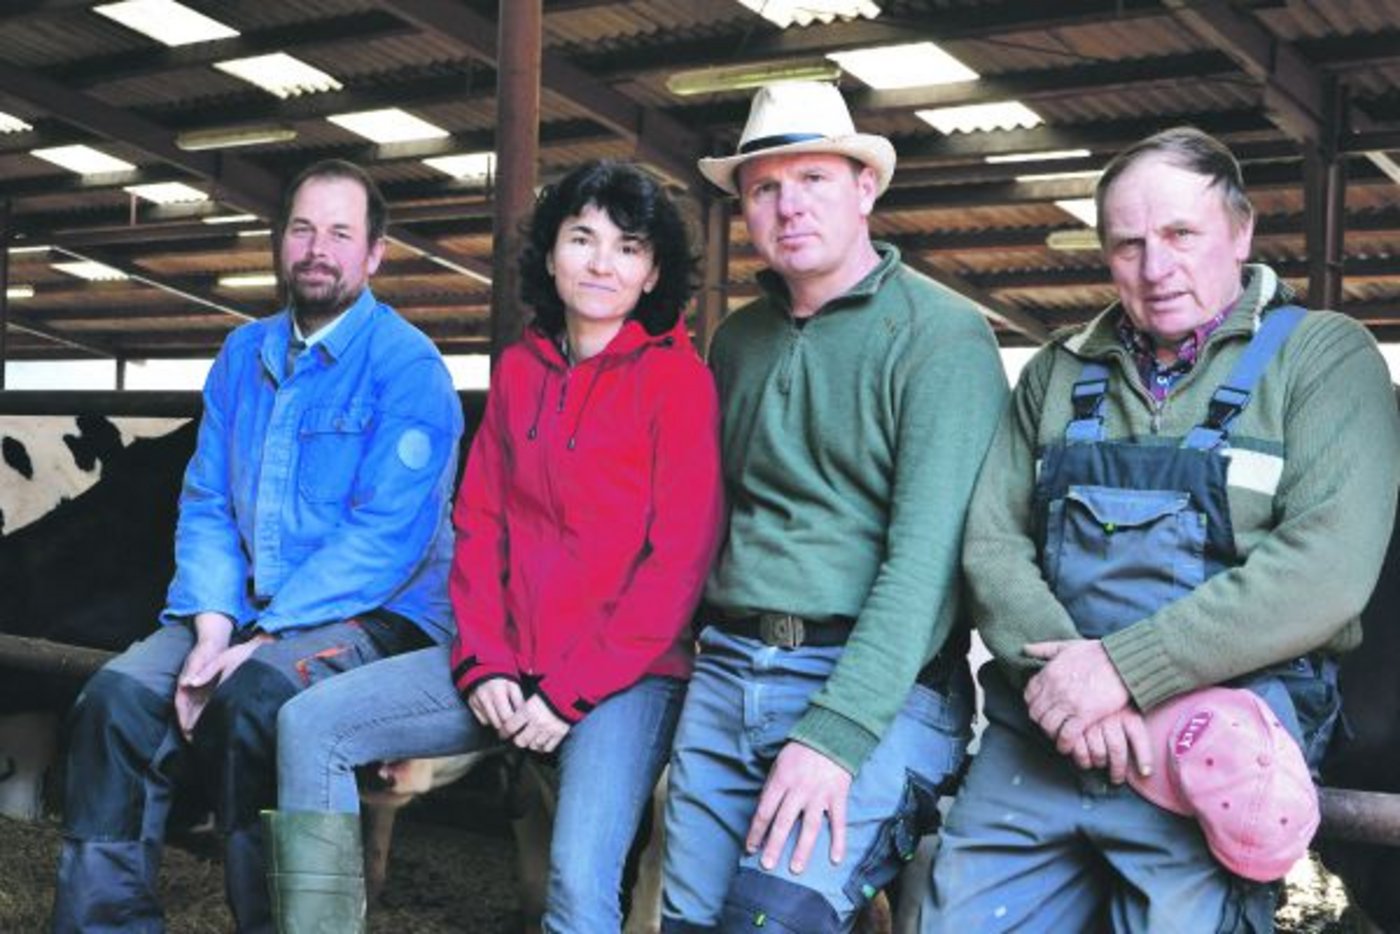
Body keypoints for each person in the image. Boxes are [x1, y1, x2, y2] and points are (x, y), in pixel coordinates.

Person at [924, 127, 1400, 932]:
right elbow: (992, 546)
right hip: (1040, 735)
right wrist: (1072, 697)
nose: (1156, 267)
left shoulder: (1323, 361)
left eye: (1182, 234)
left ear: (1241, 230)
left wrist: (1122, 672)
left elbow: (1324, 570)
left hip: (1217, 744)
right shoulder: (1057, 371)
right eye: (1128, 245)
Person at [270, 159, 724, 932]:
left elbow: (677, 566)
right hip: (503, 666)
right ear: (550, 255)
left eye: (628, 246)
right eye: (582, 238)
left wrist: (569, 693)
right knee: (311, 724)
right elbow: (478, 526)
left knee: (577, 886)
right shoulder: (520, 372)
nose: (602, 262)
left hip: (625, 680)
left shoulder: (679, 384)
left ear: (653, 274)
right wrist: (482, 659)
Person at [51, 159, 463, 933]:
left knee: (256, 703)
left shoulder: (409, 370)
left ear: (374, 254)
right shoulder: (243, 356)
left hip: (376, 613)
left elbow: (384, 541)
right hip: (242, 611)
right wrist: (211, 622)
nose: (318, 248)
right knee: (113, 701)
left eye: (341, 233)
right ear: (280, 243)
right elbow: (206, 502)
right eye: (303, 229)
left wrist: (262, 639)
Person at [660, 81, 1009, 932]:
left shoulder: (942, 336)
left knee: (769, 921)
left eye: (813, 179)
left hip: (869, 680)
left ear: (865, 188)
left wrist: (836, 734)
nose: (789, 205)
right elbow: (712, 523)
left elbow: (926, 566)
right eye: (764, 187)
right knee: (685, 924)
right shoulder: (736, 342)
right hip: (730, 668)